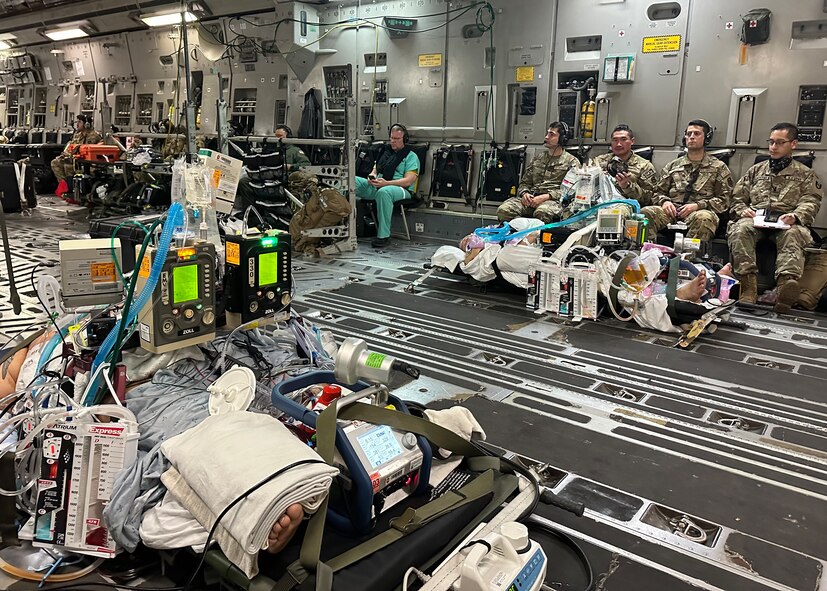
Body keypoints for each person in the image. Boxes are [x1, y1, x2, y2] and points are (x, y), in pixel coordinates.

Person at [727, 122, 823, 312]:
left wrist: (796, 215)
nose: (773, 147)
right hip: (756, 218)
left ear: (793, 144)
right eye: (771, 142)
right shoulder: (756, 171)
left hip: (786, 221)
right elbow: (737, 198)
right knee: (739, 229)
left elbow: (811, 201)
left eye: (780, 142)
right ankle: (748, 289)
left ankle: (785, 290)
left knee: (793, 234)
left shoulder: (805, 174)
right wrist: (742, 210)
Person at [640, 119, 733, 242]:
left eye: (696, 134)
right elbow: (657, 192)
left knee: (704, 218)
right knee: (645, 213)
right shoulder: (673, 166)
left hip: (700, 212)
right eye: (689, 134)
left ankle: (688, 258)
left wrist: (698, 206)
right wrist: (665, 202)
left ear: (706, 138)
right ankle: (648, 254)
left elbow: (725, 200)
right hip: (672, 211)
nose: (691, 137)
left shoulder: (718, 167)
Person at [497, 122, 579, 224]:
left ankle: (534, 238)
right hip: (531, 199)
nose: (546, 137)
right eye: (547, 133)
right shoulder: (538, 159)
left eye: (551, 134)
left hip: (553, 201)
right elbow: (524, 183)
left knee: (542, 213)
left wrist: (547, 196)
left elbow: (571, 191)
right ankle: (514, 236)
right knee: (504, 210)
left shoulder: (571, 162)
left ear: (563, 139)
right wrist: (525, 193)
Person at [355, 124, 420, 248]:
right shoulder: (385, 152)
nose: (393, 141)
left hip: (402, 189)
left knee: (384, 192)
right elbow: (375, 169)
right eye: (391, 138)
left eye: (397, 139)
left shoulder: (411, 156)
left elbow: (408, 181)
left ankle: (383, 236)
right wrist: (372, 177)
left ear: (404, 139)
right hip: (380, 184)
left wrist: (386, 183)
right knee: (349, 181)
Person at [591, 124, 658, 206]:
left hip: (627, 206)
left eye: (623, 139)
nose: (618, 144)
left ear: (632, 141)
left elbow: (648, 199)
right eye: (615, 140)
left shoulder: (644, 166)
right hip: (598, 204)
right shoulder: (599, 161)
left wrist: (627, 186)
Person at [50, 114, 103, 189]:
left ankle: (73, 189)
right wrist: (63, 156)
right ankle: (65, 187)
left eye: (80, 122)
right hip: (76, 160)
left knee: (68, 167)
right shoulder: (77, 135)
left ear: (86, 124)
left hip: (87, 163)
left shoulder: (94, 136)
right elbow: (70, 148)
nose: (77, 124)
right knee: (55, 162)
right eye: (77, 122)